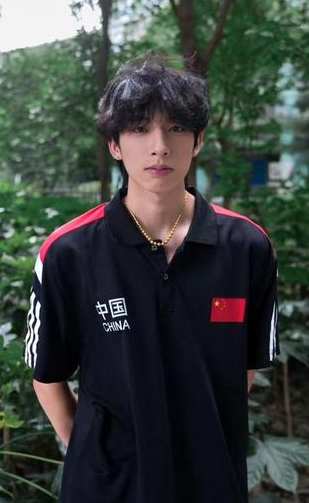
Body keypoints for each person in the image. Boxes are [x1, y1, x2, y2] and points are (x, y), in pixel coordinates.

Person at [23, 56, 279, 503]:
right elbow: (48, 377)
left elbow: (243, 369)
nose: (159, 146)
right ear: (115, 145)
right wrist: (96, 456)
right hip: (107, 487)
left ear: (198, 141)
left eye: (176, 128)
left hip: (211, 481)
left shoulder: (247, 247)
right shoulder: (69, 252)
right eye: (140, 129)